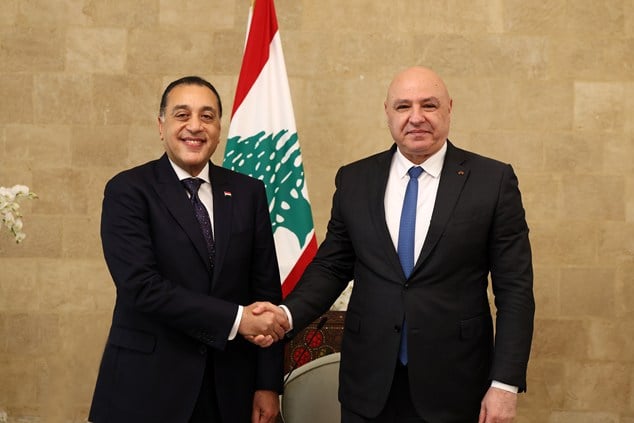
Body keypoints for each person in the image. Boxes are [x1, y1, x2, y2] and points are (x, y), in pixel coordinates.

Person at [254, 66, 535, 423]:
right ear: (387, 112)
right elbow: (332, 266)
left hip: (456, 385)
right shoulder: (355, 179)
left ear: (449, 108)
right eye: (403, 106)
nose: (416, 117)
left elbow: (515, 291)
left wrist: (505, 384)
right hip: (368, 385)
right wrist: (286, 314)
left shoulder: (492, 181)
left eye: (429, 105)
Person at [88, 76, 289, 423]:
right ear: (161, 126)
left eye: (207, 116)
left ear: (219, 129)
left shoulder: (248, 192)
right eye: (182, 115)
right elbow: (141, 287)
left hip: (229, 388)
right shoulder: (128, 190)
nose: (195, 126)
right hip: (147, 386)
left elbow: (266, 290)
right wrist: (237, 319)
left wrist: (268, 385)